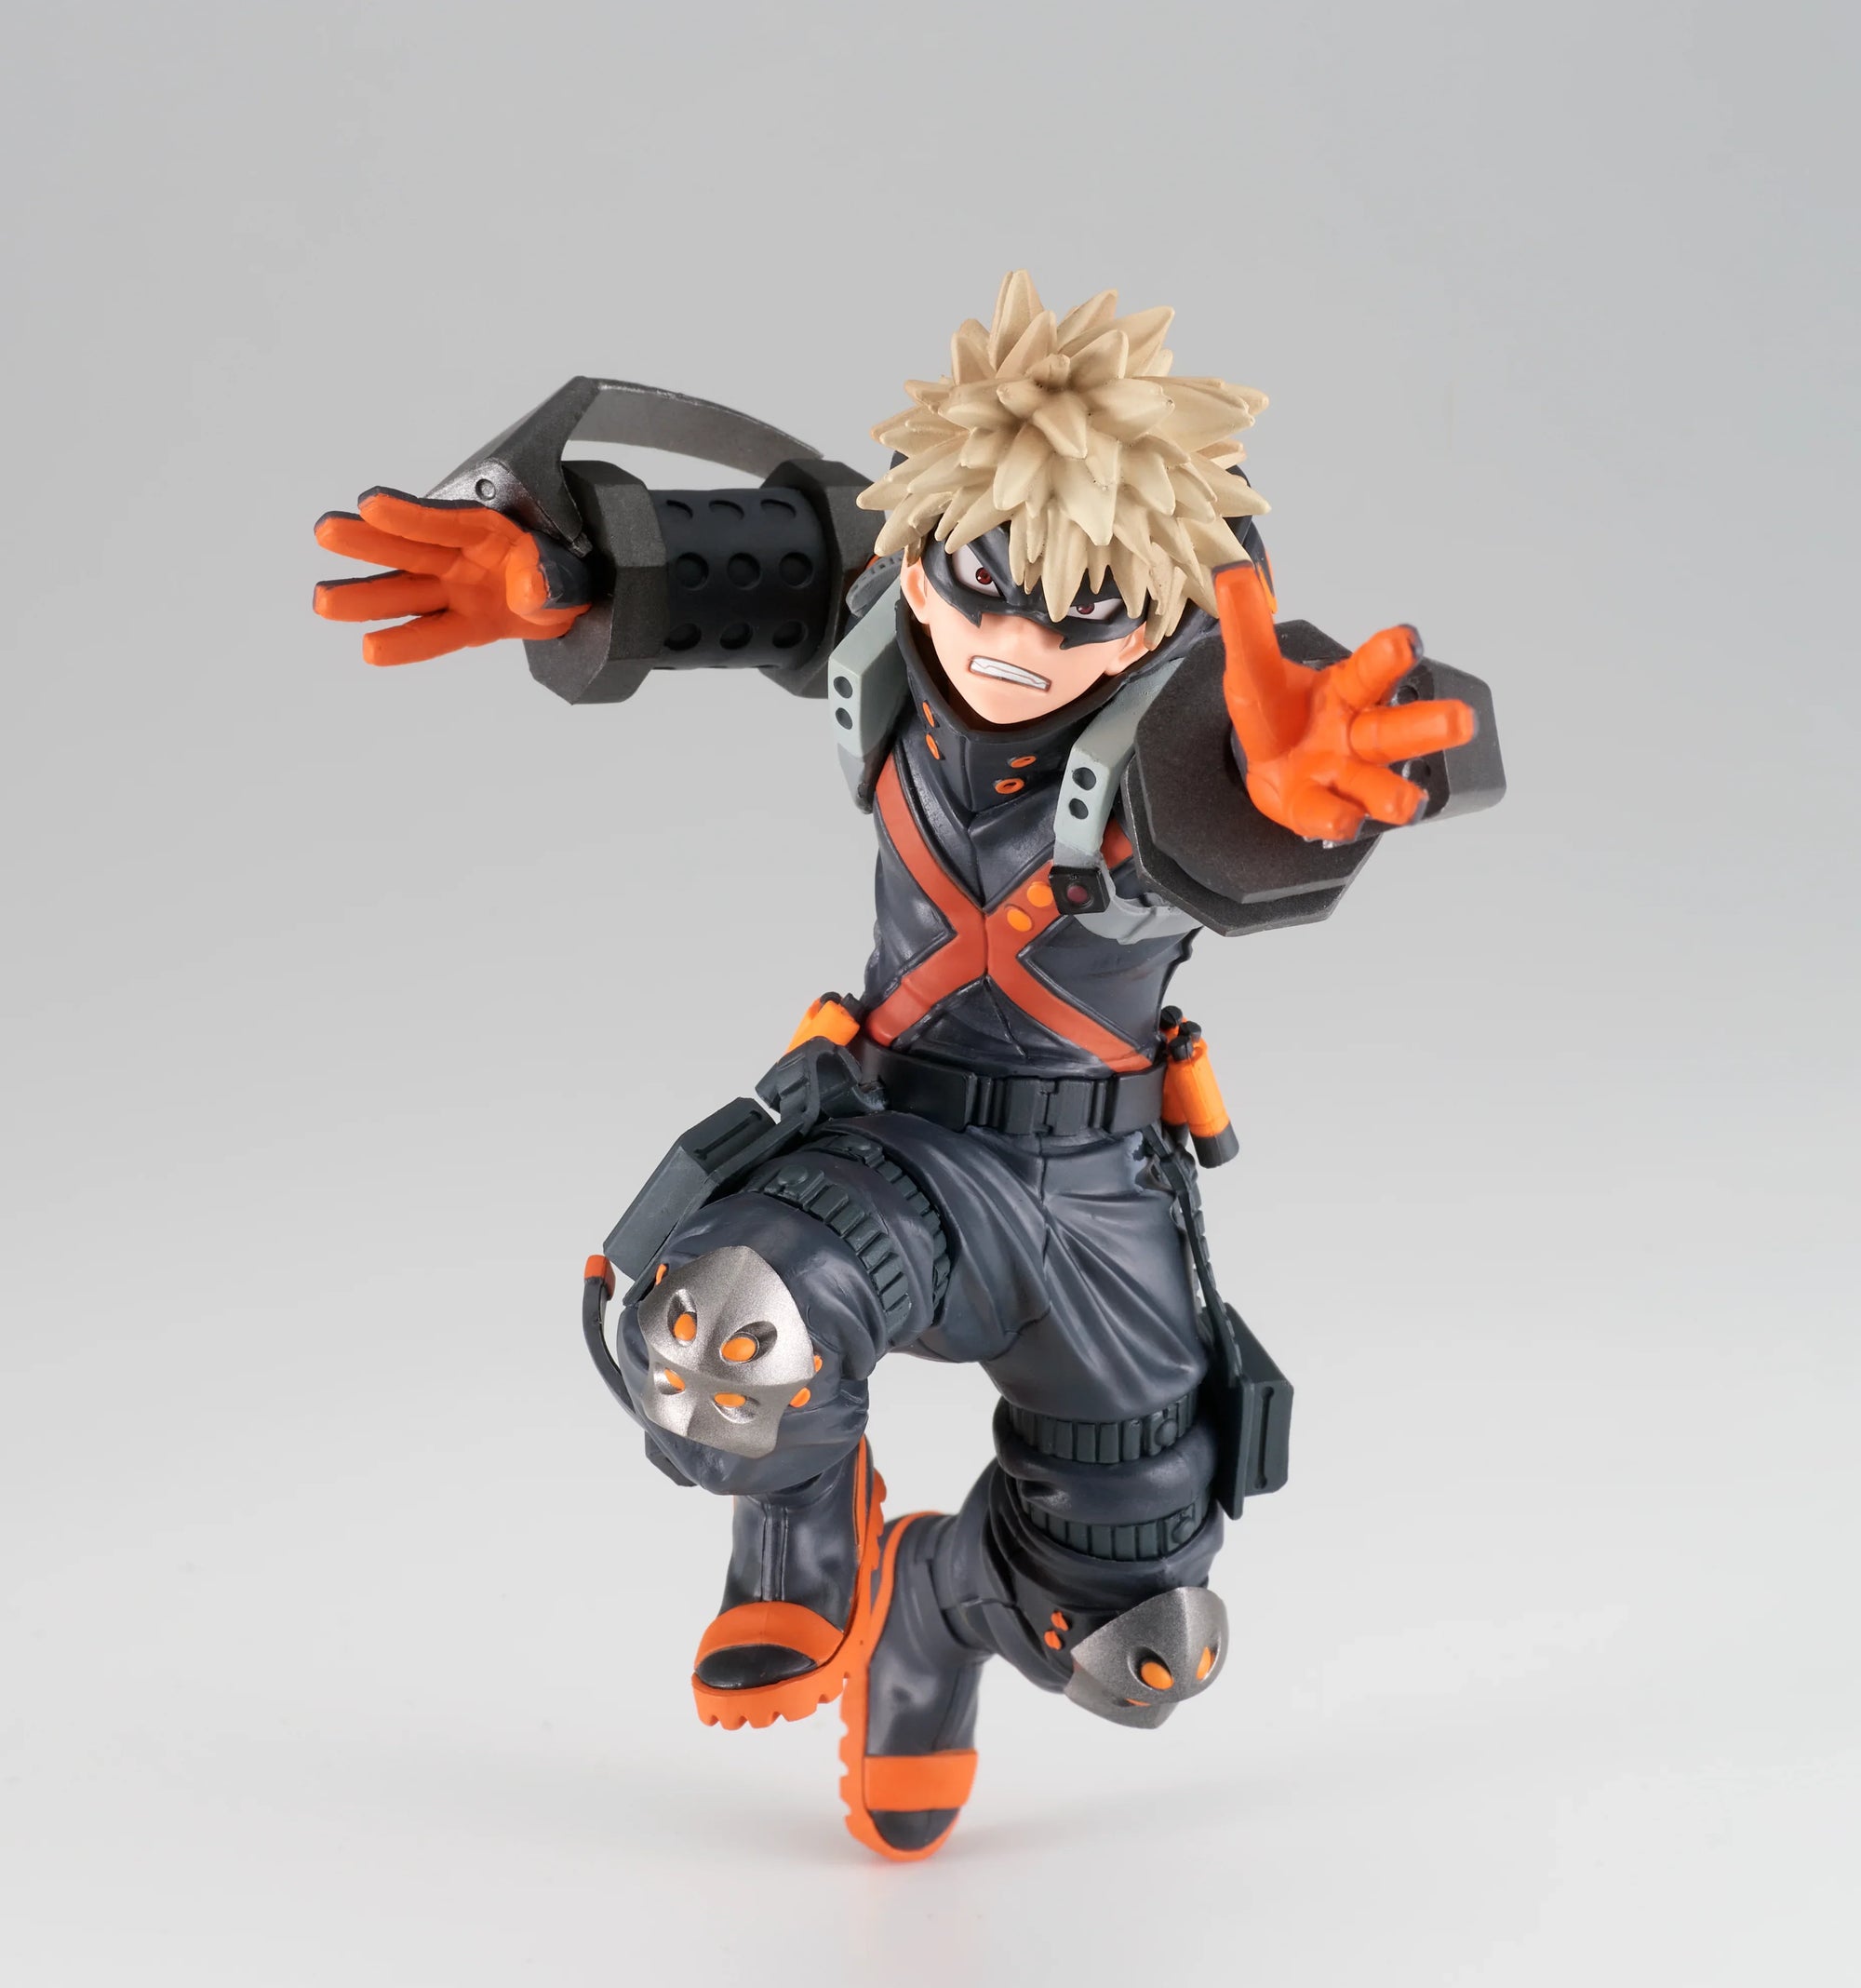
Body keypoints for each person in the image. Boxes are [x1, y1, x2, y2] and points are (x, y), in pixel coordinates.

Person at [313, 272, 1502, 1861]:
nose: (1015, 640)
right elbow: (742, 560)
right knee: (730, 1331)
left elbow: (1310, 772)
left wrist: (1329, 782)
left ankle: (928, 1619)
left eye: (1080, 611)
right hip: (903, 1151)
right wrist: (559, 573)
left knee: (1141, 1640)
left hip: (1096, 1198)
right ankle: (802, 1554)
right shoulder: (886, 620)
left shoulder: (1188, 742)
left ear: (1160, 615)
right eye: (981, 585)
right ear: (927, 555)